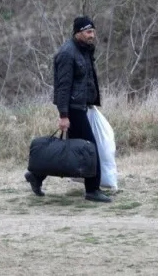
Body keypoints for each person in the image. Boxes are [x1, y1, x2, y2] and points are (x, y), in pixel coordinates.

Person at [25, 16, 112, 203]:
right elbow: (62, 87)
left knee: (66, 151)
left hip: (82, 106)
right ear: (78, 33)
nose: (92, 35)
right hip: (73, 109)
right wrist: (64, 115)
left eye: (93, 31)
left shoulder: (84, 51)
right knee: (90, 148)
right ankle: (92, 190)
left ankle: (36, 175)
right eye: (88, 32)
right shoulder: (67, 53)